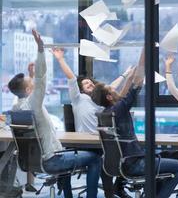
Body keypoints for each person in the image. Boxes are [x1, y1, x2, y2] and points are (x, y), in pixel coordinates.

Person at [8, 29, 101, 198]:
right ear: (29, 89)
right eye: (31, 82)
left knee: (65, 155)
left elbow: (30, 88)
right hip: (51, 160)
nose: (34, 83)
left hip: (33, 161)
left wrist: (31, 76)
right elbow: (41, 78)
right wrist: (41, 49)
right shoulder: (34, 104)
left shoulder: (16, 107)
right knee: (95, 158)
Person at [91, 49, 178, 198]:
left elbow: (122, 94)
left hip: (120, 165)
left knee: (162, 160)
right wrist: (145, 50)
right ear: (109, 96)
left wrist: (128, 78)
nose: (116, 88)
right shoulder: (119, 109)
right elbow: (138, 81)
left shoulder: (107, 113)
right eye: (112, 89)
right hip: (134, 164)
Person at [51, 48, 133, 198]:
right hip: (83, 144)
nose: (89, 84)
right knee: (95, 161)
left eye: (91, 83)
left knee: (112, 159)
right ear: (80, 89)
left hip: (102, 144)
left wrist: (125, 75)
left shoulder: (101, 101)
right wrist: (60, 59)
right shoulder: (78, 99)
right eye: (85, 84)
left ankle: (111, 192)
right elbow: (70, 78)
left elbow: (111, 88)